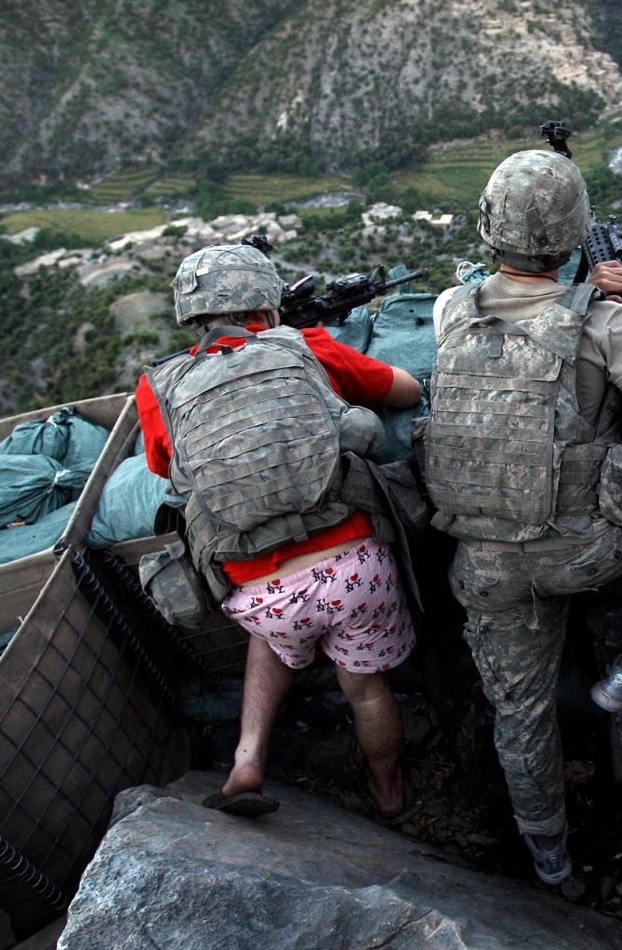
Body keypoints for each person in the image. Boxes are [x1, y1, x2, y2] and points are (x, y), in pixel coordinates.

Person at [424, 149, 622, 886]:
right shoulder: (601, 322)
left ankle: (551, 864)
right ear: (574, 235)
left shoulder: (450, 311)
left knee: (519, 715)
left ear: (490, 229)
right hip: (578, 548)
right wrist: (609, 310)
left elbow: (521, 333)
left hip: (483, 564)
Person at [135, 243, 423, 819]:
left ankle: (248, 759)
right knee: (365, 689)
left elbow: (167, 466)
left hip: (258, 591)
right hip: (354, 567)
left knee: (270, 639)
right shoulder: (306, 346)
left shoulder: (159, 387)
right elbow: (406, 389)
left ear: (190, 319)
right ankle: (389, 793)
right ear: (267, 310)